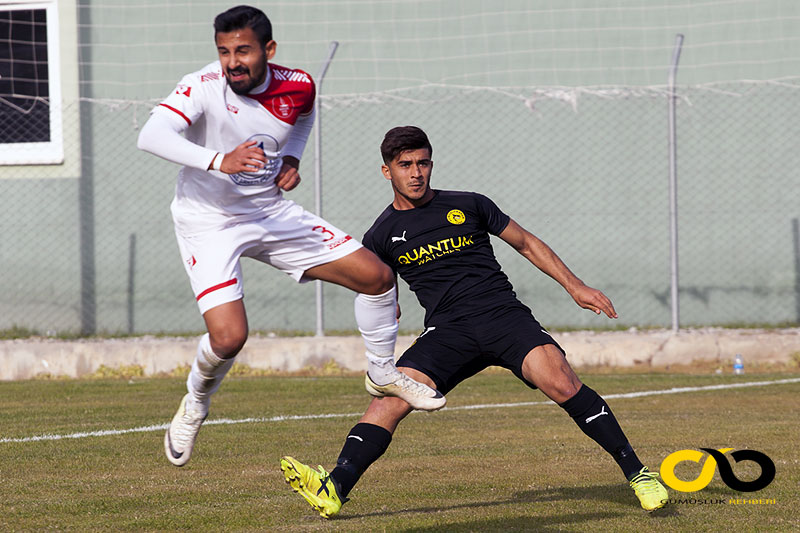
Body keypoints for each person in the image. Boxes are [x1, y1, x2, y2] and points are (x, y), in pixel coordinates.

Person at [280, 125, 668, 517]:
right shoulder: (380, 235)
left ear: (431, 164)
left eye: (423, 163)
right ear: (388, 172)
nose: (416, 173)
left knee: (561, 381)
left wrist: (575, 286)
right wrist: (386, 303)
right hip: (447, 333)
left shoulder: (469, 204)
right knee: (387, 404)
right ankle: (335, 487)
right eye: (405, 165)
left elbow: (526, 242)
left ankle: (638, 474)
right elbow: (377, 286)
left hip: (503, 316)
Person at [137, 7, 445, 468]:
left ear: (269, 50)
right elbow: (151, 135)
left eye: (242, 50)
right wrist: (220, 160)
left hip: (269, 212)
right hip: (208, 220)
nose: (231, 62)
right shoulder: (203, 85)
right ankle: (196, 402)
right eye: (223, 51)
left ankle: (383, 372)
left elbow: (302, 116)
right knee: (228, 338)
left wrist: (293, 158)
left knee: (378, 276)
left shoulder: (298, 84)